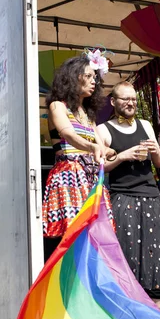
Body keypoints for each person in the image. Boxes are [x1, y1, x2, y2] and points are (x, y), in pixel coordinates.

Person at [97, 81, 160, 310]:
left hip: (151, 197)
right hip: (122, 198)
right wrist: (122, 156)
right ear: (114, 102)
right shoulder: (104, 129)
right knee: (126, 255)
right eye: (125, 99)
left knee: (156, 257)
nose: (130, 103)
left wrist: (157, 151)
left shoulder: (145, 125)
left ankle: (156, 313)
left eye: (134, 100)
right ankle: (128, 311)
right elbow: (100, 167)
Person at [42, 50, 115, 259]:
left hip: (91, 177)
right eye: (90, 76)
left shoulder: (88, 115)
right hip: (70, 175)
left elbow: (101, 147)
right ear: (75, 77)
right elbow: (68, 134)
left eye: (95, 77)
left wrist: (111, 151)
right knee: (73, 235)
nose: (94, 82)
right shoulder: (58, 106)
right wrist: (92, 147)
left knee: (95, 235)